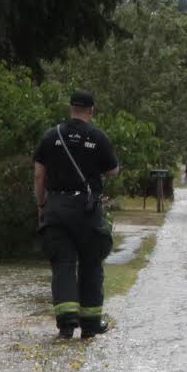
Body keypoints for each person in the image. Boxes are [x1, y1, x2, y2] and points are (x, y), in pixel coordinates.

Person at [33, 89, 120, 339]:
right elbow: (113, 171)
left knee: (62, 265)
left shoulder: (51, 136)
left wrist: (41, 205)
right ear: (91, 111)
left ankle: (66, 324)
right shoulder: (98, 136)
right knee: (91, 264)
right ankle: (91, 323)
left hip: (56, 208)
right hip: (87, 209)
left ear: (70, 108)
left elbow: (39, 175)